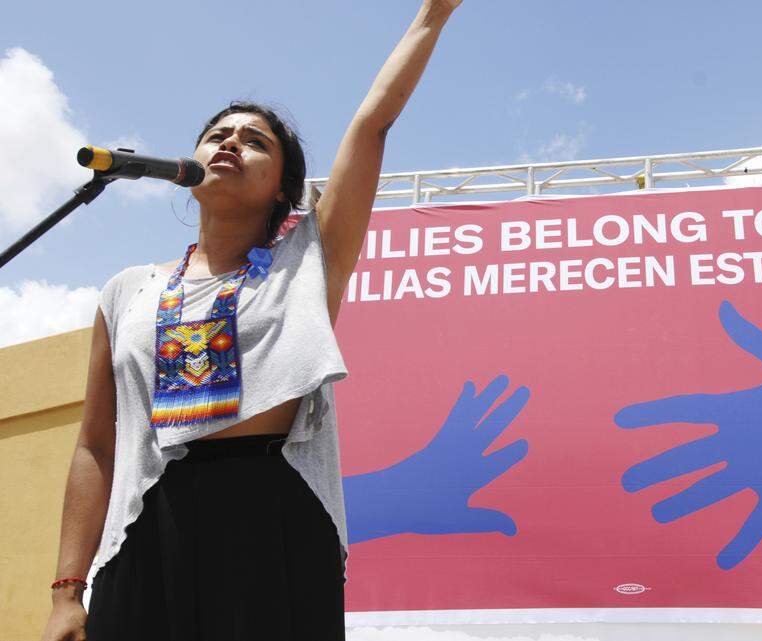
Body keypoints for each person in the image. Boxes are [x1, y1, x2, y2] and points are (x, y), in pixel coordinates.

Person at [40, 1, 462, 639]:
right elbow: (96, 445)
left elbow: (373, 123)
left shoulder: (307, 264)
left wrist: (433, 13)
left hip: (275, 520)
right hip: (148, 526)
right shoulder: (126, 292)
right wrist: (68, 591)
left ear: (283, 188)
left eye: (254, 140)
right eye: (218, 135)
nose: (230, 142)